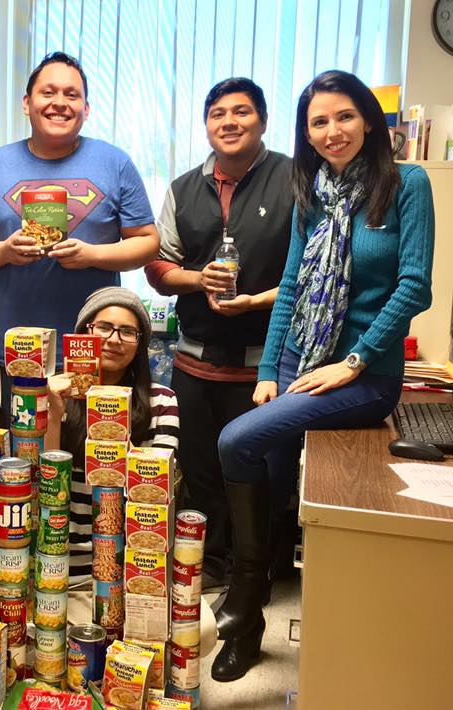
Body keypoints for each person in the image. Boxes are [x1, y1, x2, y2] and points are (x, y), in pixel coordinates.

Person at [213, 70, 434, 682]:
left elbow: (414, 286)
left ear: (368, 119)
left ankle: (240, 603)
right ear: (306, 134)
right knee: (274, 476)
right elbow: (293, 287)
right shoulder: (314, 191)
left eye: (343, 117)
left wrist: (354, 360)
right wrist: (266, 370)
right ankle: (251, 628)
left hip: (364, 375)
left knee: (237, 441)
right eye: (318, 122)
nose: (332, 132)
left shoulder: (407, 185)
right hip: (298, 363)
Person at [144, 78, 294, 592]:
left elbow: (314, 275)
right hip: (194, 363)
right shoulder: (183, 188)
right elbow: (158, 266)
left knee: (264, 478)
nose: (229, 122)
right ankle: (211, 562)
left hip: (267, 369)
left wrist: (257, 300)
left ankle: (260, 575)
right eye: (217, 114)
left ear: (264, 121)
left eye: (242, 112)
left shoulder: (296, 179)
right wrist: (197, 278)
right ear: (206, 124)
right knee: (202, 471)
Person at [0, 52, 159, 411]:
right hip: (19, 351)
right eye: (48, 92)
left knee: (92, 457)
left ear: (87, 108)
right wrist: (4, 251)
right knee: (23, 458)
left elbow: (148, 242)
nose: (59, 103)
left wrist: (92, 255)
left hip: (98, 352)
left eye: (72, 94)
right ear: (27, 103)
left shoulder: (115, 163)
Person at [43, 287, 179, 592]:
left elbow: (156, 493)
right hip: (65, 561)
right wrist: (54, 413)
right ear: (84, 334)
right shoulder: (57, 393)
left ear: (140, 344)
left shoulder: (162, 401)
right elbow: (48, 486)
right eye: (103, 327)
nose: (114, 339)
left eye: (128, 332)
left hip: (133, 561)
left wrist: (114, 430)